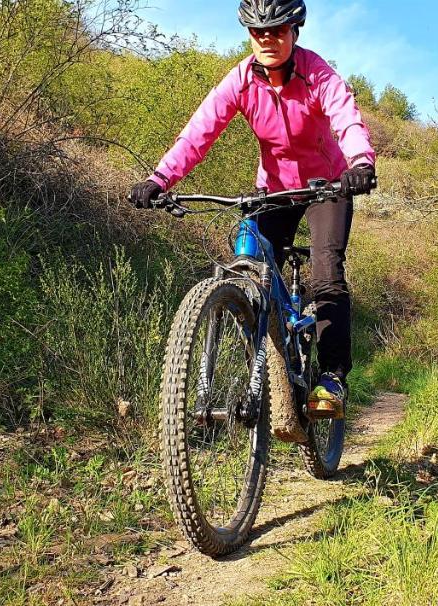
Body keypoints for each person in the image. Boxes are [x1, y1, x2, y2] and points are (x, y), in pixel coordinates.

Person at [128, 0, 377, 421]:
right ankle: (269, 370)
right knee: (251, 268)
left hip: (329, 186)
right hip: (274, 191)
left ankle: (331, 378)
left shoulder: (316, 73)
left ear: (294, 31)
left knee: (326, 273)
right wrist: (160, 179)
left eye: (277, 30)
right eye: (258, 32)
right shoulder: (241, 80)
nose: (267, 39)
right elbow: (199, 132)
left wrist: (360, 163)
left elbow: (346, 117)